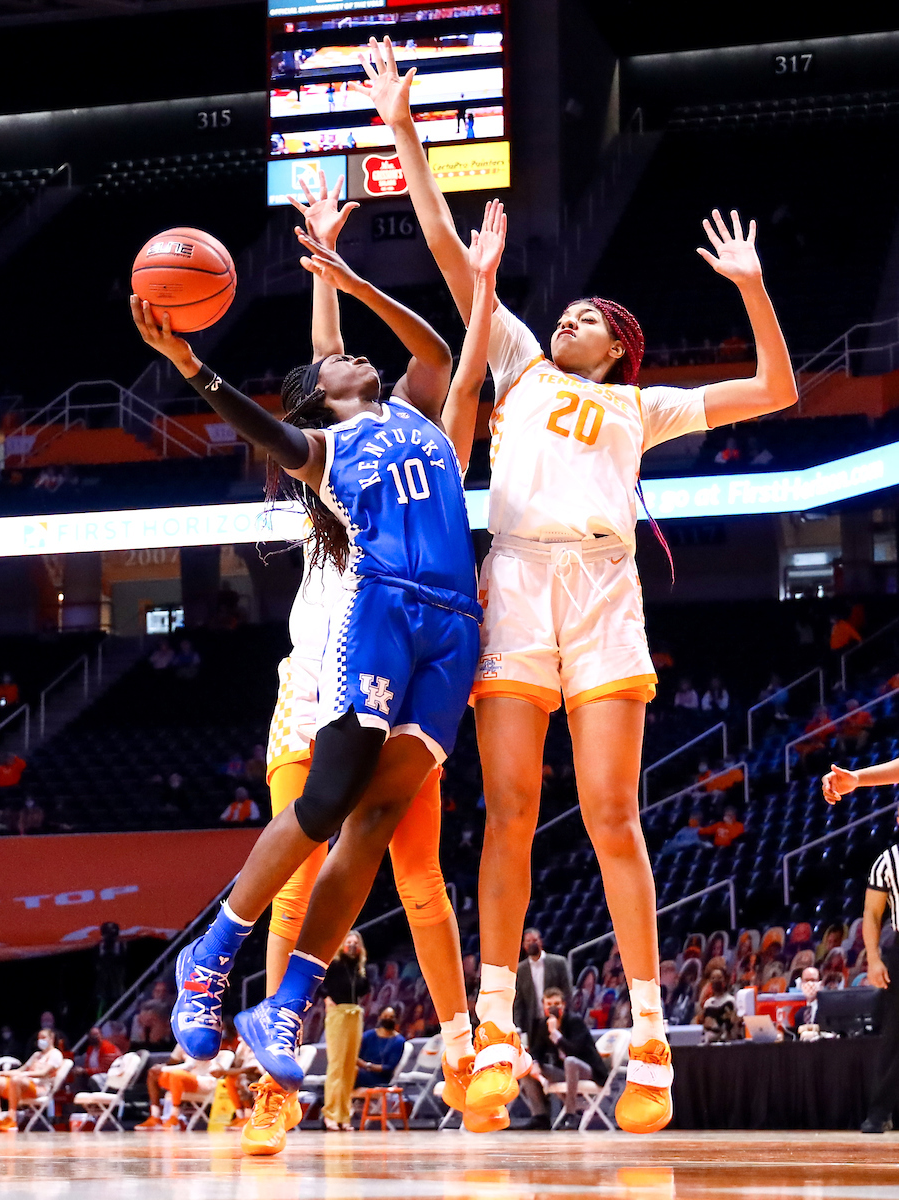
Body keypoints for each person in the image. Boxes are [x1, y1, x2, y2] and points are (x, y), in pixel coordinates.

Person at [353, 35, 798, 1136]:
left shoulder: (641, 410)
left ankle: (649, 1038)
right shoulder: (516, 363)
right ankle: (496, 1027)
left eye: (591, 318)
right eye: (569, 313)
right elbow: (459, 259)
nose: (570, 320)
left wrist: (750, 290)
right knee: (507, 813)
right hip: (515, 585)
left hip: (603, 593)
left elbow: (778, 388)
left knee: (612, 816)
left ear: (622, 348)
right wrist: (405, 132)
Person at [130, 190, 504, 1130]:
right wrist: (195, 366)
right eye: (334, 364)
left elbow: (435, 351)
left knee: (384, 827)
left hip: (453, 626)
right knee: (329, 807)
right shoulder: (326, 453)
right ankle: (216, 954)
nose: (345, 359)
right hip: (363, 627)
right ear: (322, 400)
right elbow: (289, 405)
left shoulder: (419, 415)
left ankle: (285, 1008)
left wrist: (344, 277)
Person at [823, 755, 899, 1132]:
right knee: (894, 1034)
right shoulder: (888, 861)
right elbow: (871, 915)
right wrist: (872, 957)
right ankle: (878, 1113)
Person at [518, 987, 608, 1130]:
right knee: (526, 1067)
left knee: (570, 1061)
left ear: (563, 1005)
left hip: (587, 1071)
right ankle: (540, 1116)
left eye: (557, 1003)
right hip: (564, 1073)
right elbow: (537, 1051)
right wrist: (535, 1063)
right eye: (549, 1004)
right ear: (543, 1006)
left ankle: (571, 1114)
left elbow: (575, 1051)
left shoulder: (575, 1021)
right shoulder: (543, 1025)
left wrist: (555, 1034)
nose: (553, 1007)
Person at [318, 930, 371, 1131]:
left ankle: (344, 1115)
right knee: (337, 1065)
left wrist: (361, 967)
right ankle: (330, 1113)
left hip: (355, 1013)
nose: (351, 945)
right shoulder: (334, 963)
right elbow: (318, 981)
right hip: (338, 1012)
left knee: (350, 1066)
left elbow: (365, 989)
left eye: (355, 943)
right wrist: (326, 998)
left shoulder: (358, 967)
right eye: (348, 942)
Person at [134, 1042, 235, 1131]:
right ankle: (155, 1117)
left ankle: (175, 1117)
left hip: (205, 1081)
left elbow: (189, 1066)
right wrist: (160, 1068)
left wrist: (163, 1069)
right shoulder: (182, 1042)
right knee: (153, 1073)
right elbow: (172, 1062)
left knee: (176, 1074)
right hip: (186, 1080)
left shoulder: (201, 1041)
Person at [514, 928, 573, 1047]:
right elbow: (519, 1002)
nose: (531, 943)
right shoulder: (520, 969)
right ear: (524, 946)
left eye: (534, 940)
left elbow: (567, 992)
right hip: (533, 1024)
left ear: (541, 941)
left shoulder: (559, 963)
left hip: (557, 1019)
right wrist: (518, 1026)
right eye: (528, 941)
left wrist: (566, 1017)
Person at [0, 1028, 63, 1130]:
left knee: (16, 1080)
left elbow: (44, 1073)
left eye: (43, 1037)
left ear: (51, 1039)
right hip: (23, 1084)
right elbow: (20, 1070)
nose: (40, 1040)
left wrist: (25, 1075)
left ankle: (12, 1118)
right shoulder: (36, 1055)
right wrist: (2, 1073)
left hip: (39, 1088)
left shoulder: (55, 1054)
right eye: (39, 1038)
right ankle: (0, 1117)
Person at [355, 1006, 406, 1088]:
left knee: (353, 1072)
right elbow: (357, 1055)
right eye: (385, 1016)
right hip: (361, 1072)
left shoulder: (399, 1041)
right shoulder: (368, 1035)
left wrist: (367, 1065)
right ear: (379, 1018)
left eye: (391, 1017)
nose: (388, 1019)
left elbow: (389, 1067)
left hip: (381, 1078)